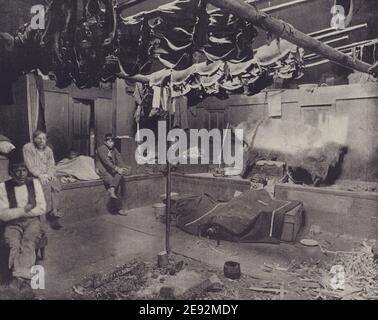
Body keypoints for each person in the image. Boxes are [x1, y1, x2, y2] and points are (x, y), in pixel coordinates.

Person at [0, 149, 46, 289]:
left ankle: (17, 278)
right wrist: (24, 209)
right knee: (13, 244)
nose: (21, 174)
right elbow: (2, 214)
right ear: (11, 171)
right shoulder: (3, 186)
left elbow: (42, 208)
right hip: (12, 224)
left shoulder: (35, 183)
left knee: (28, 241)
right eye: (16, 170)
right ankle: (21, 277)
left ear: (28, 171)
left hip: (32, 222)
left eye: (24, 170)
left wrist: (15, 212)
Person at [22, 130, 63, 230]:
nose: (41, 141)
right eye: (39, 138)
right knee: (45, 187)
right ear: (34, 139)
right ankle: (45, 216)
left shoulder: (48, 150)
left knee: (56, 184)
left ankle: (54, 211)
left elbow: (51, 164)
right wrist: (40, 175)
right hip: (32, 175)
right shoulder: (27, 147)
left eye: (44, 138)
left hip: (46, 174)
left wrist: (50, 174)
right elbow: (30, 165)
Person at [95, 133, 130, 199]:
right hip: (103, 170)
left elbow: (119, 158)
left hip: (111, 170)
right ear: (105, 142)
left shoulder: (114, 149)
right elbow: (106, 161)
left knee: (121, 173)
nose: (112, 143)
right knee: (113, 182)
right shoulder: (101, 149)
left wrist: (123, 167)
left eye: (113, 141)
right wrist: (117, 168)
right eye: (110, 141)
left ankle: (112, 190)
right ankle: (112, 192)